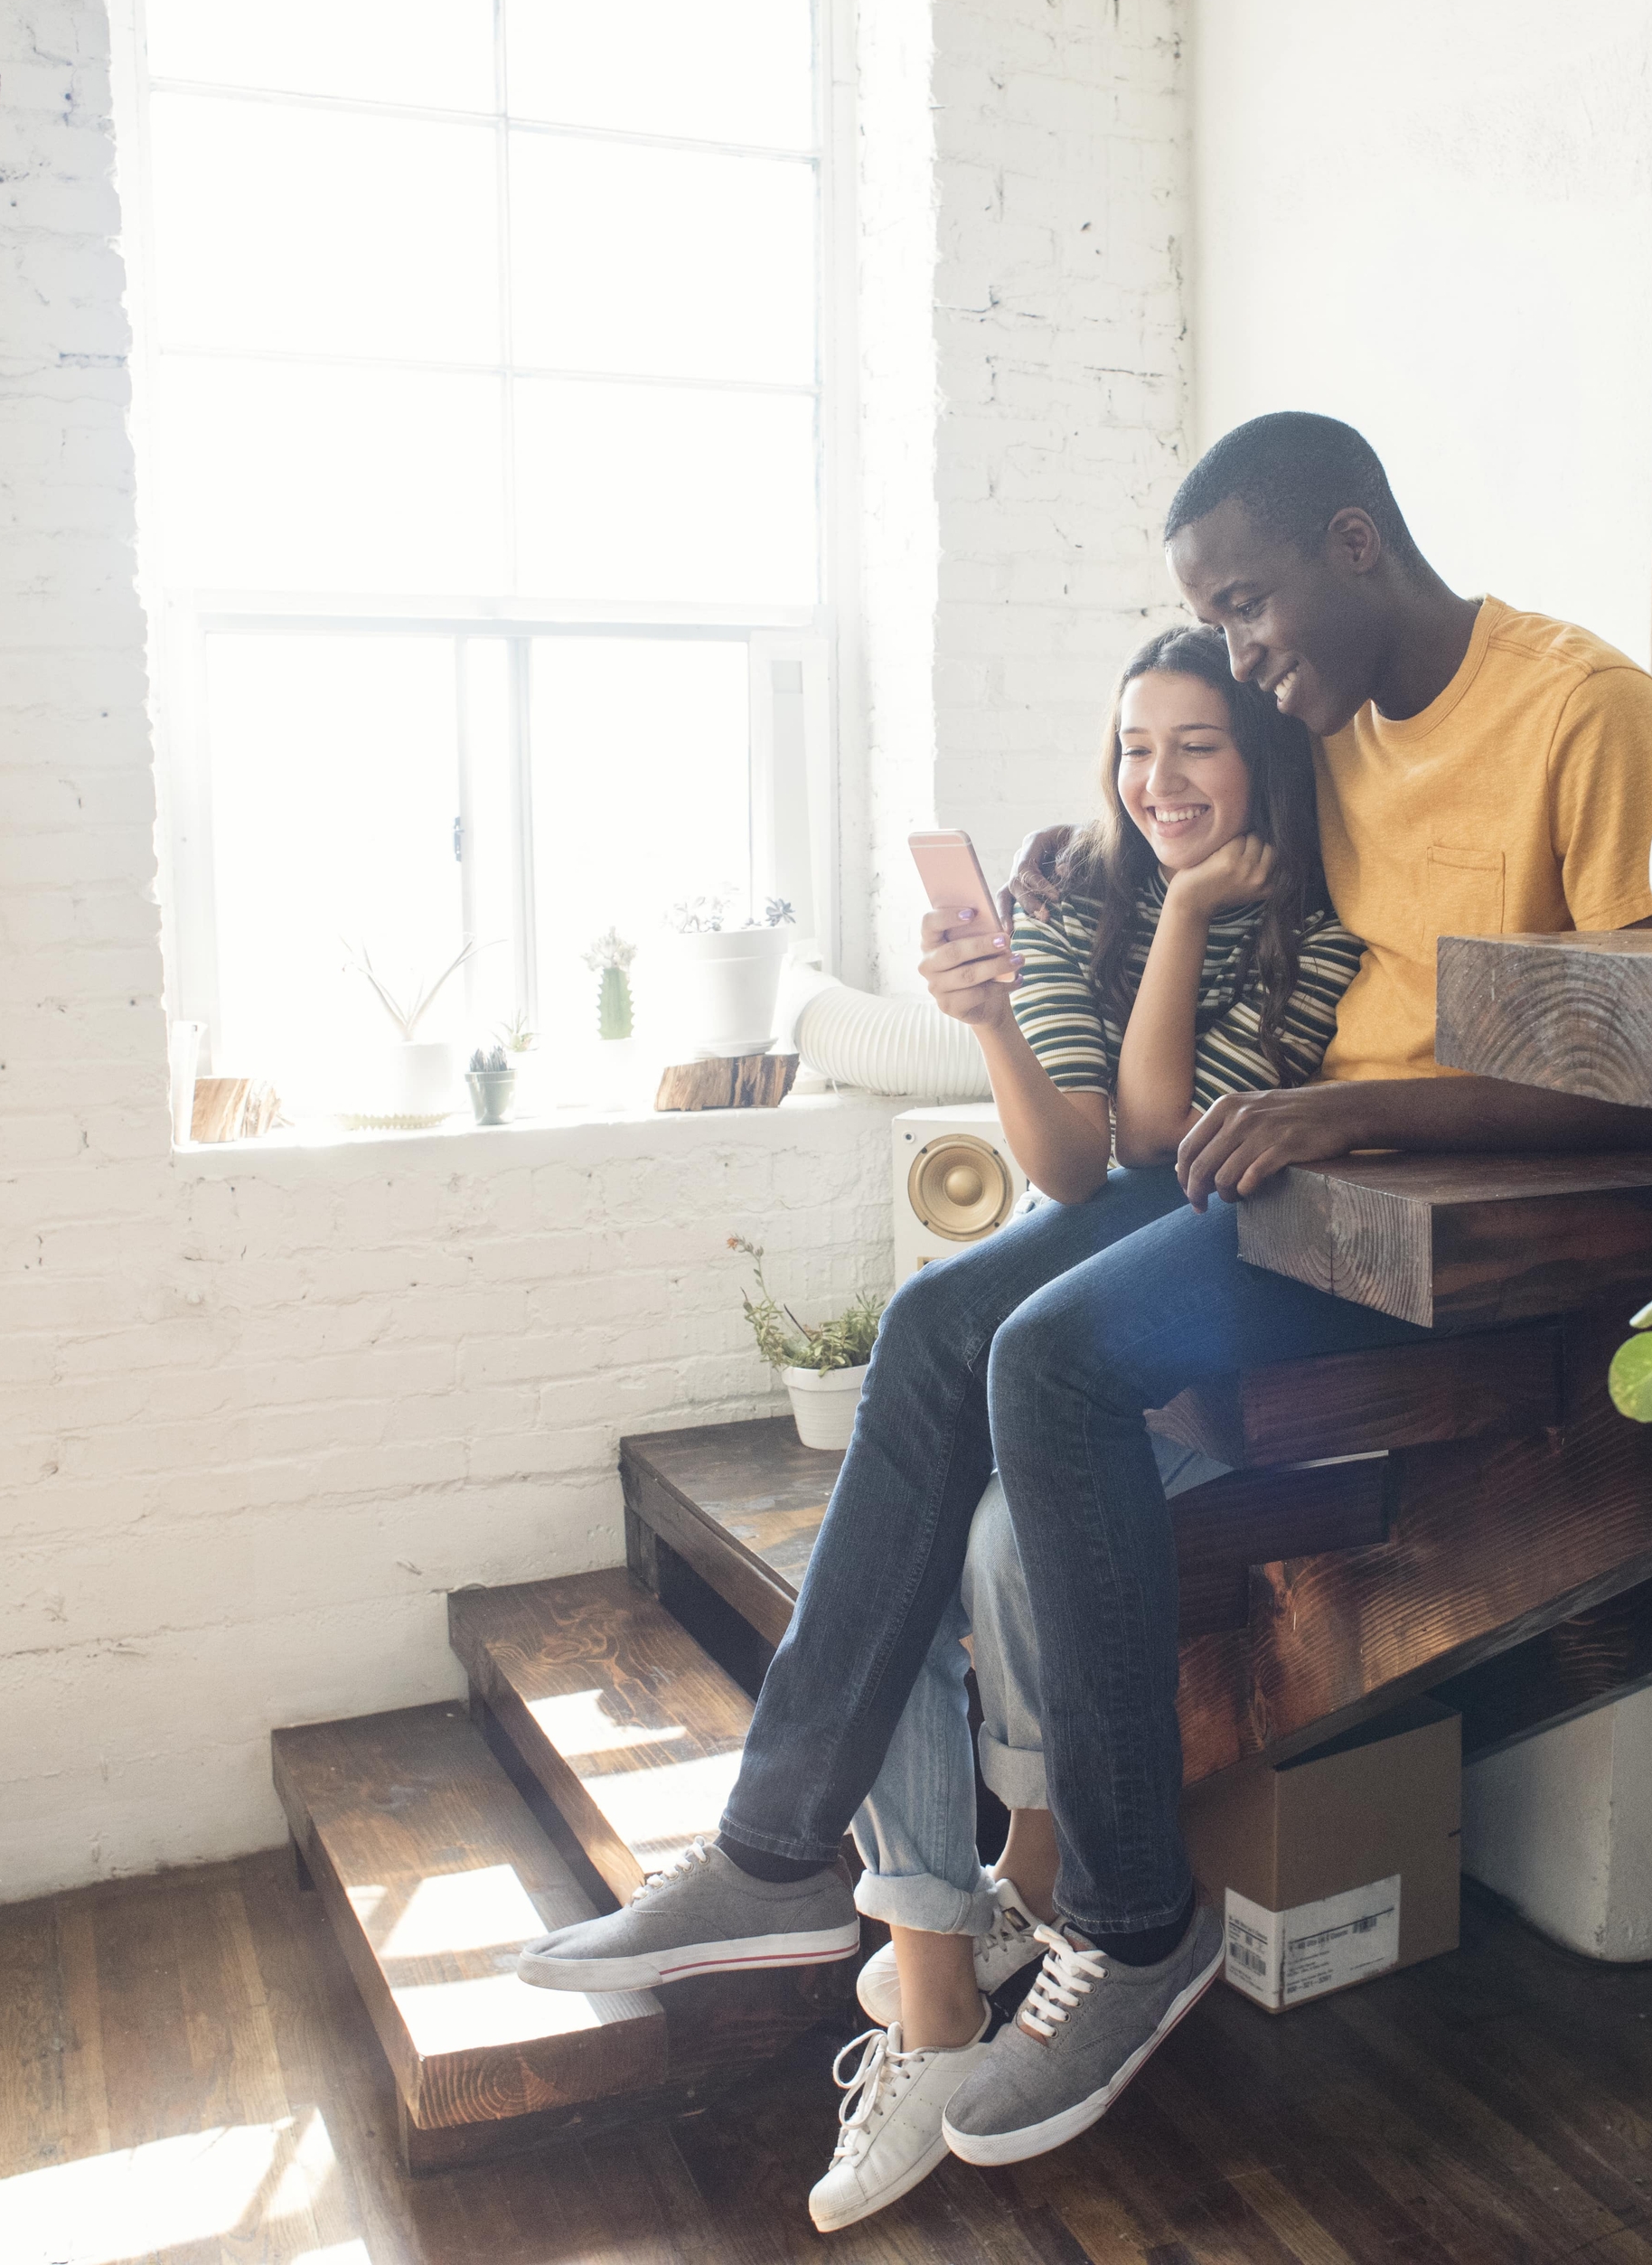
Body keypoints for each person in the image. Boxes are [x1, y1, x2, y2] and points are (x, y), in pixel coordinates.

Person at [516, 412, 1652, 2185]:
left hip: (1446, 1225)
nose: (1239, 652)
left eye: (1247, 607)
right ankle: (778, 1845)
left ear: (1354, 542)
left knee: (1051, 1357)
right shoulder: (1338, 726)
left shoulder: (1582, 712)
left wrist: (1348, 1109)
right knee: (937, 1327)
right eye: (1214, 625)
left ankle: (1134, 1922)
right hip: (1299, 1176)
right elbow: (1192, 900)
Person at [521, 624, 1360, 2231]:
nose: (1159, 778)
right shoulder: (1068, 900)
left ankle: (864, 1888)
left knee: (952, 1466)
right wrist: (991, 1009)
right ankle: (874, 1941)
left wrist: (1189, 918)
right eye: (1135, 744)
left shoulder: (1302, 929)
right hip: (1105, 1236)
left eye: (1197, 744)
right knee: (919, 1414)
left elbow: (1175, 1148)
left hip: (1202, 1261)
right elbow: (1066, 1166)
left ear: (1260, 757)